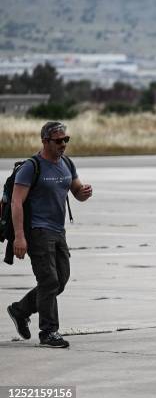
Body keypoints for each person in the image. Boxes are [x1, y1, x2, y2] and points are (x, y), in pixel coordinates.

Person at [6, 121, 92, 348]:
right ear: (45, 141)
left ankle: (20, 310)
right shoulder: (31, 167)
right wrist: (19, 236)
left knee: (59, 281)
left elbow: (76, 192)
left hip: (58, 231)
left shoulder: (66, 163)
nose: (63, 144)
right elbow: (16, 202)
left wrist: (84, 193)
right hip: (37, 231)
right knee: (49, 280)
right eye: (58, 141)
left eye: (66, 140)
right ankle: (48, 332)